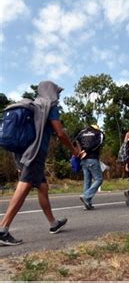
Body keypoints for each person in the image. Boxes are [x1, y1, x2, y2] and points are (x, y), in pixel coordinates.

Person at [0, 81, 79, 246]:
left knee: (42, 186)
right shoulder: (50, 106)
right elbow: (60, 132)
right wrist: (73, 150)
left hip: (22, 151)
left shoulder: (35, 105)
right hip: (35, 153)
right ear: (51, 91)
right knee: (25, 185)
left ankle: (53, 223)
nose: (58, 95)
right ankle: (3, 229)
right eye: (57, 92)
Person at [76, 124, 105, 210]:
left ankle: (87, 204)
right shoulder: (98, 133)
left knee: (87, 181)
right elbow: (99, 143)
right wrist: (88, 151)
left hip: (83, 159)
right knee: (99, 179)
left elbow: (75, 141)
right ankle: (86, 196)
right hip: (92, 158)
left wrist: (81, 151)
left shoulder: (82, 132)